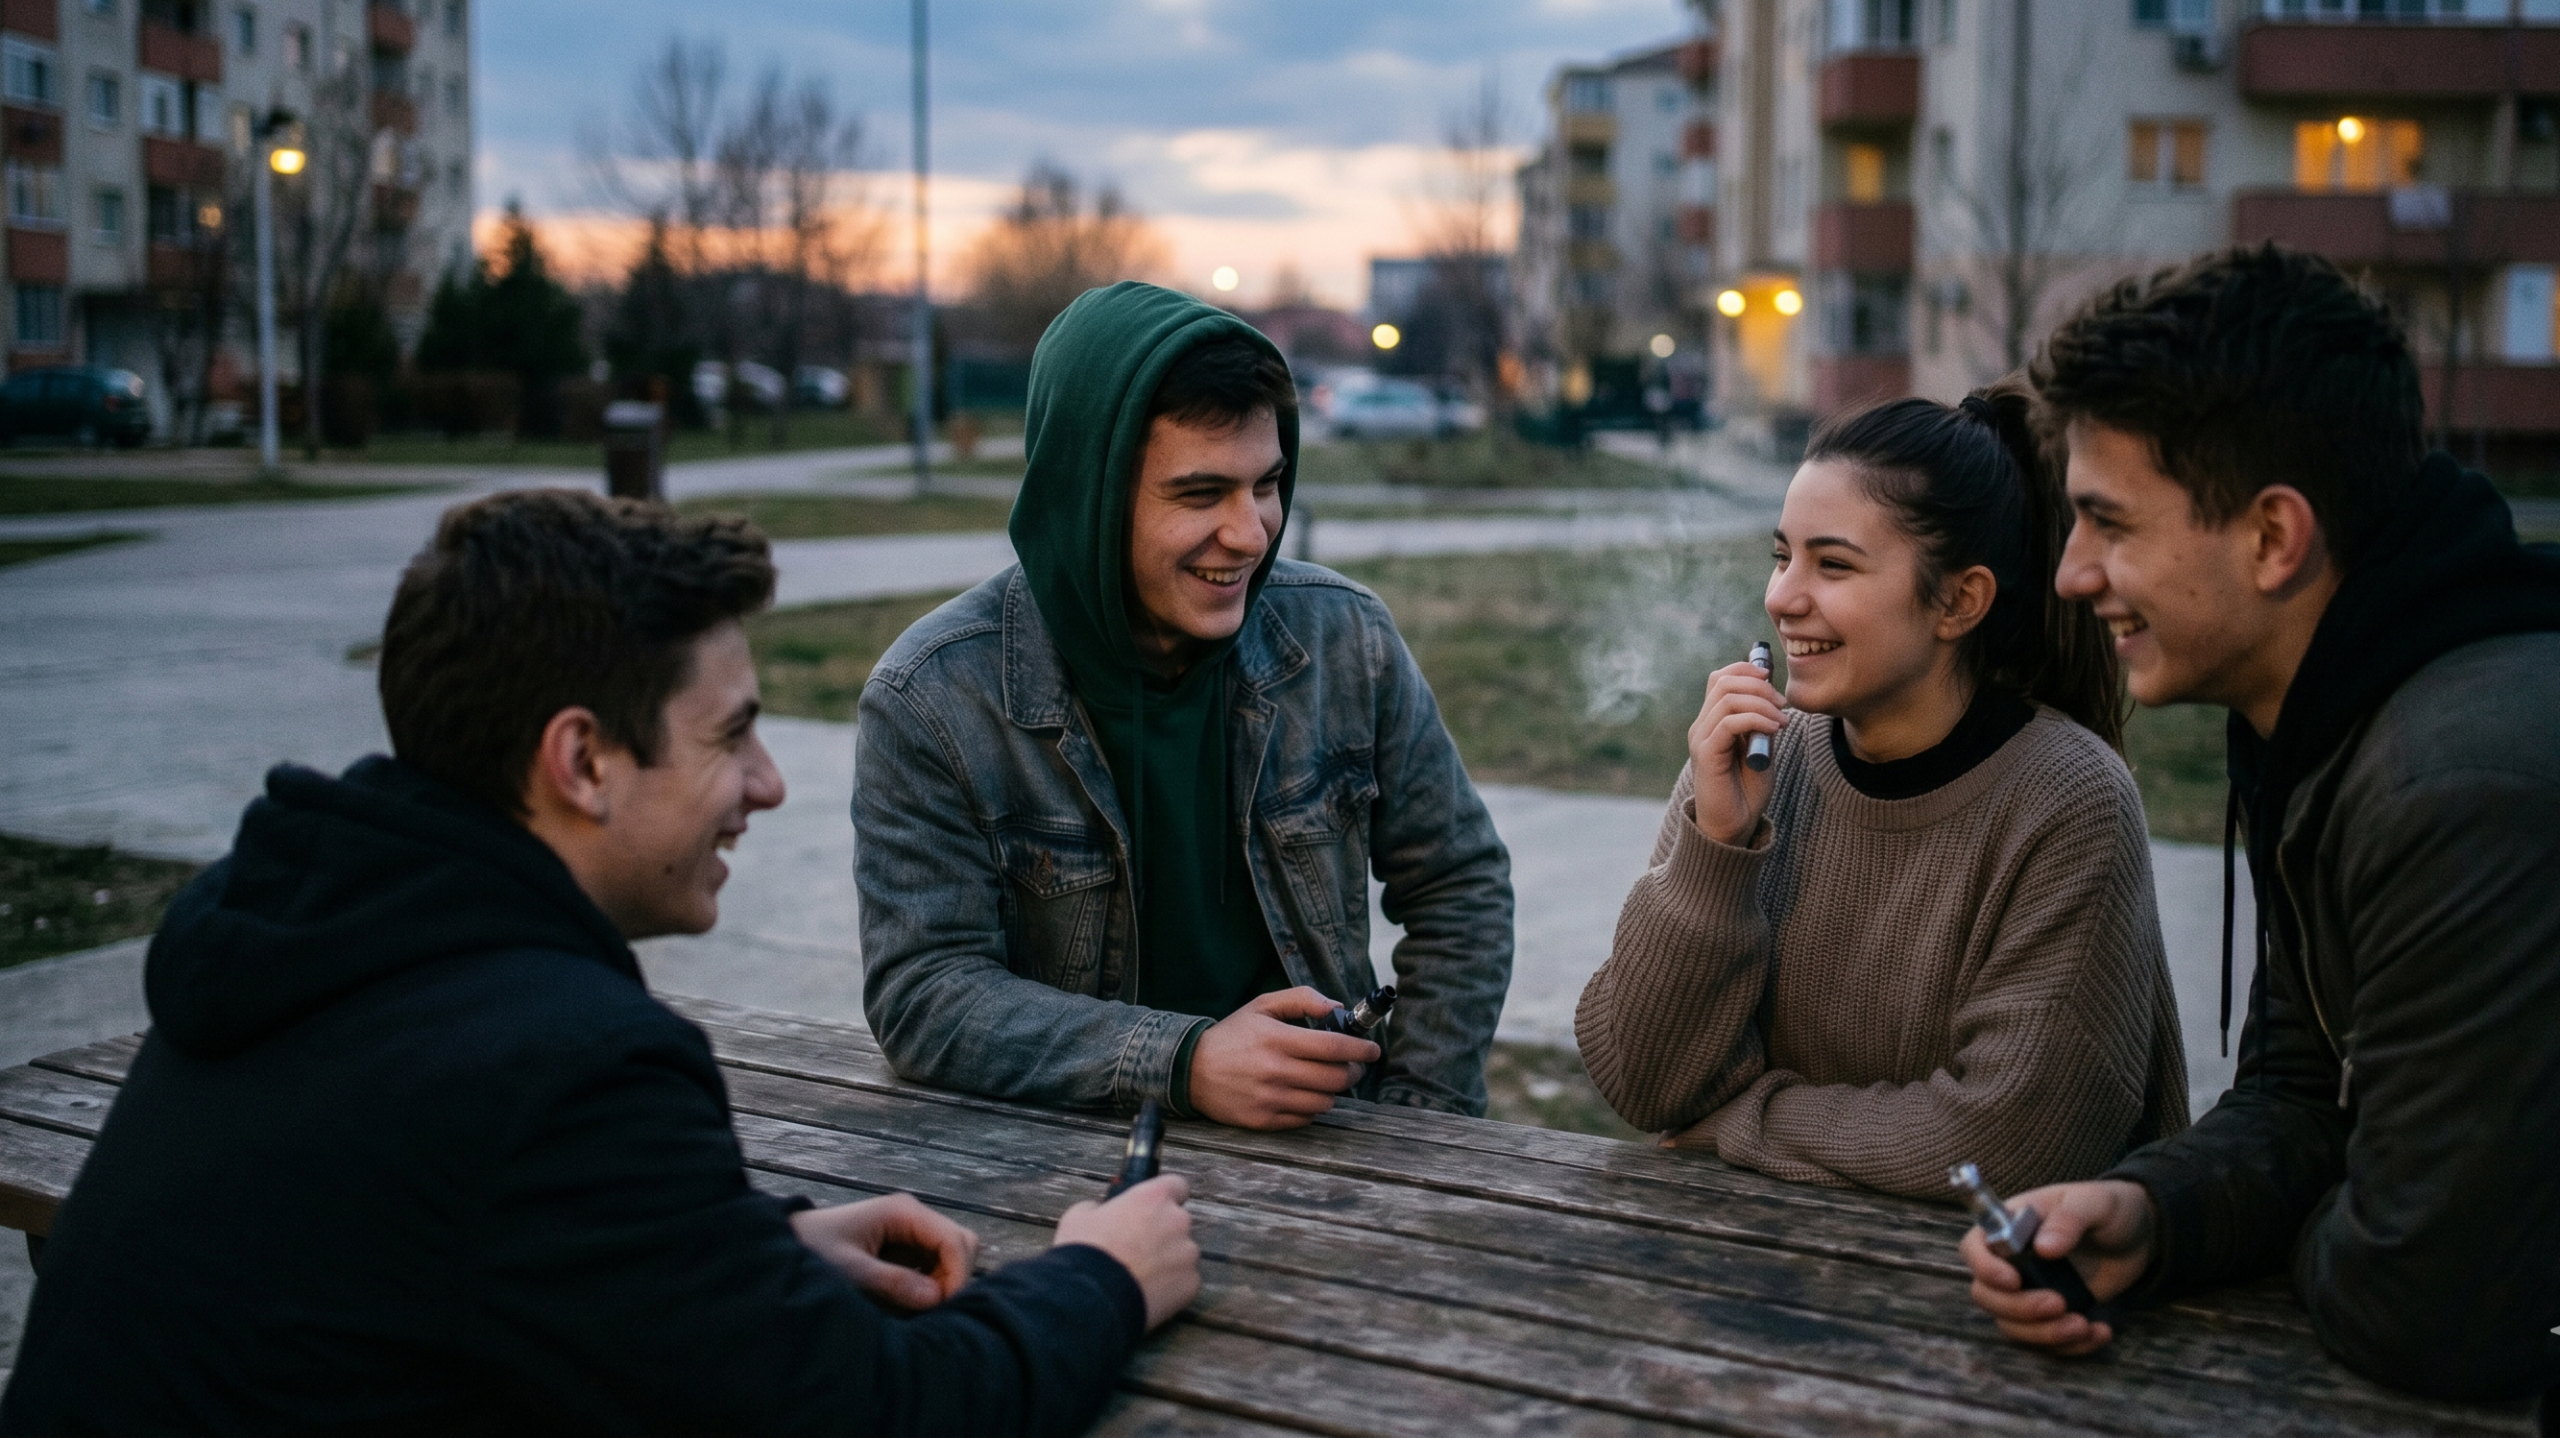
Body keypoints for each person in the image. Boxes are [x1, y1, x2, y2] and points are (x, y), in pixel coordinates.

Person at [0, 490, 1199, 1436]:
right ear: (581, 761)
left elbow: (427, 1231)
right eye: (730, 733)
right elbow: (882, 1411)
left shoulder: (308, 937)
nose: (769, 783)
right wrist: (1100, 1274)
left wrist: (746, 1248)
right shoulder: (559, 1066)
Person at [1960, 246, 2560, 1410]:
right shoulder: (2334, 712)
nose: (2071, 573)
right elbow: (2299, 1090)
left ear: (2274, 538)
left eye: (2107, 522)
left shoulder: (2461, 790)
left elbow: (2425, 1305)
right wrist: (2155, 1211)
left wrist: (2331, 1214)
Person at [855, 282, 1513, 1130]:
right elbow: (925, 992)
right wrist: (1183, 1062)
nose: (1252, 532)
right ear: (1088, 495)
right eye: (1201, 494)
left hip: (1326, 1151)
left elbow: (1460, 883)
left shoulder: (1349, 638)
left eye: (1267, 483)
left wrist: (1418, 1118)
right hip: (1062, 1157)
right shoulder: (931, 698)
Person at [1575, 384, 2188, 1201]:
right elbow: (1643, 1080)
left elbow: (2010, 1141)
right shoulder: (1756, 763)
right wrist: (1714, 848)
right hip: (1738, 1259)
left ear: (1958, 601)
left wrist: (1742, 1122)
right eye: (1782, 556)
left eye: (1832, 564)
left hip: (1973, 1273)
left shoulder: (2068, 801)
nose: (1782, 597)